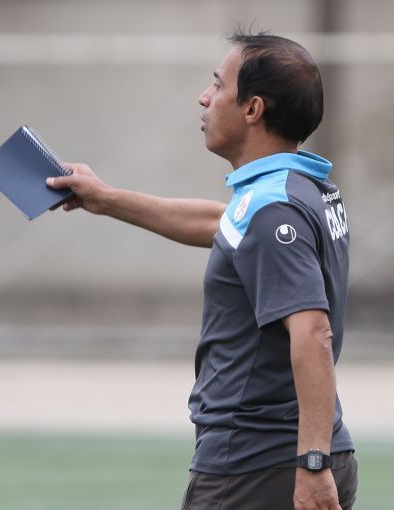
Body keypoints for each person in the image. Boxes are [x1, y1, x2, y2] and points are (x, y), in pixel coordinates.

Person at [46, 30, 357, 510]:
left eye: (218, 84)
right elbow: (222, 223)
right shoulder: (298, 187)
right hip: (298, 454)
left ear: (253, 109)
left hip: (258, 466)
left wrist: (312, 465)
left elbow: (313, 333)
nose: (204, 97)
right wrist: (105, 199)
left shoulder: (273, 211)